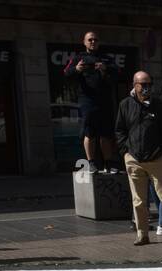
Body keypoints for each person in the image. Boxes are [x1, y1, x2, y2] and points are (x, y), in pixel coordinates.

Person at [116, 71, 162, 246]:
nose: (146, 87)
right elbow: (120, 130)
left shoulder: (159, 105)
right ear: (134, 85)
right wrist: (125, 151)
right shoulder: (125, 105)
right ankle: (142, 234)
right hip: (133, 159)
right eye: (143, 84)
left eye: (149, 84)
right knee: (139, 200)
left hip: (157, 159)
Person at [63, 31, 119, 172]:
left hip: (105, 101)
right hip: (88, 101)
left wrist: (105, 69)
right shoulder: (78, 58)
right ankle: (91, 162)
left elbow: (118, 74)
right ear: (84, 42)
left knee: (106, 133)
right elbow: (66, 73)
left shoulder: (106, 59)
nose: (93, 42)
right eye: (90, 40)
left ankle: (109, 163)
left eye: (95, 39)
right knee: (90, 133)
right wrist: (76, 69)